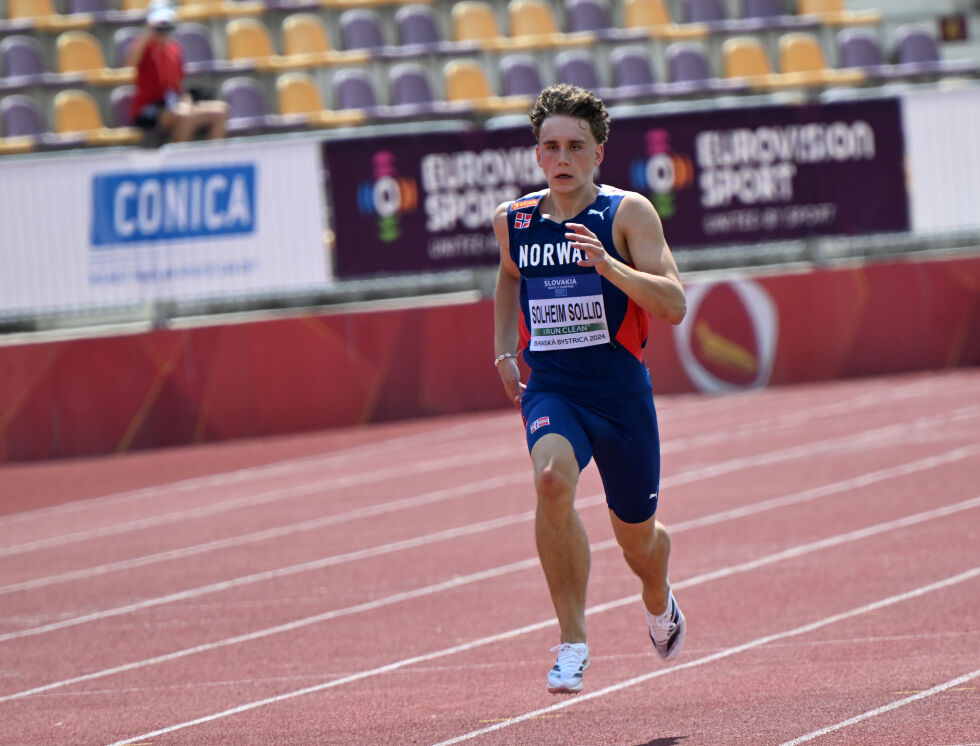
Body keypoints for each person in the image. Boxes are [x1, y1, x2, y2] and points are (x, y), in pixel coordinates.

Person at [492, 84, 688, 695]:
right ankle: (572, 640)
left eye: (576, 146)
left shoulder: (627, 214)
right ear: (537, 155)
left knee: (640, 544)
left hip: (620, 394)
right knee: (551, 481)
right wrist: (504, 348)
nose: (563, 158)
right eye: (551, 147)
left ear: (598, 152)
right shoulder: (515, 221)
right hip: (554, 389)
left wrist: (608, 266)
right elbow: (507, 277)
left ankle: (658, 598)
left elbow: (675, 304)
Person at [126, 4, 228, 143]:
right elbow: (130, 63)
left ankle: (213, 157)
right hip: (148, 109)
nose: (163, 31)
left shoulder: (174, 49)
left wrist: (187, 101)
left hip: (174, 104)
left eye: (166, 26)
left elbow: (178, 85)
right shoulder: (145, 47)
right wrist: (147, 34)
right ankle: (180, 159)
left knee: (220, 111)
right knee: (184, 115)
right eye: (159, 27)